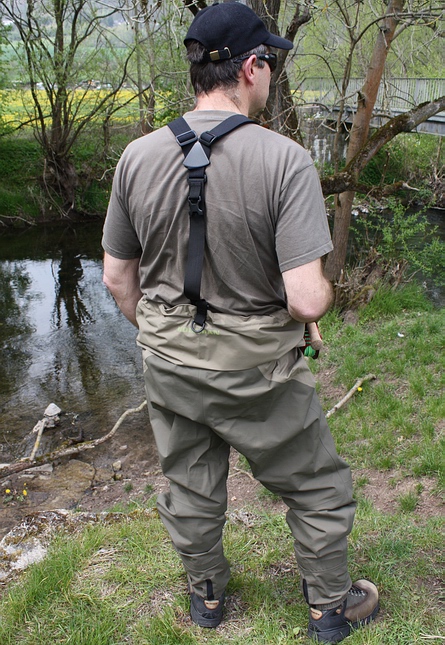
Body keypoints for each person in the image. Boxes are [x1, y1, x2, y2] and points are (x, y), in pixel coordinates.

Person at [101, 2, 379, 642]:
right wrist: (324, 294)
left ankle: (206, 598)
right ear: (251, 67)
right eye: (270, 62)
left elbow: (118, 278)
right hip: (258, 372)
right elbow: (305, 300)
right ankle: (329, 608)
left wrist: (162, 337)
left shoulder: (136, 157)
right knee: (315, 486)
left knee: (190, 486)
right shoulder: (285, 160)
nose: (271, 74)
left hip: (169, 362)